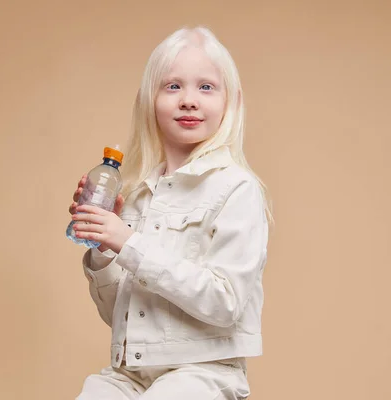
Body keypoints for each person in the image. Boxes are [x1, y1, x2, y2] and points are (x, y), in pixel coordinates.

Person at [68, 25, 273, 399]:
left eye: (206, 87)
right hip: (130, 373)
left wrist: (128, 242)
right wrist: (103, 246)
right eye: (173, 86)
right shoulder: (136, 193)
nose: (189, 100)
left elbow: (225, 302)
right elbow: (119, 316)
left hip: (203, 371)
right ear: (148, 100)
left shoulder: (237, 188)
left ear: (233, 101)